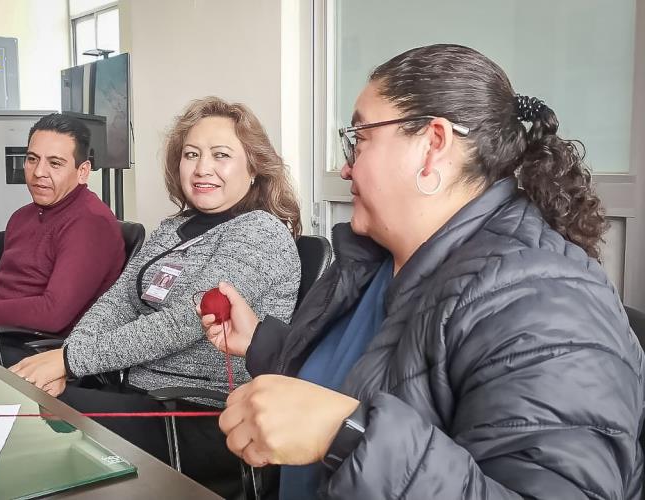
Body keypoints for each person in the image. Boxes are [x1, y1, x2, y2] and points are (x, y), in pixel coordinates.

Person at [202, 44, 645, 499]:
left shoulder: (545, 303)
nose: (344, 165)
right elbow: (357, 377)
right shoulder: (373, 260)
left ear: (433, 145)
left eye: (361, 137)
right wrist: (260, 341)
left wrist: (348, 436)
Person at [9, 97, 302, 497]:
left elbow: (186, 320)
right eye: (191, 154)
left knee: (40, 424)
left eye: (221, 155)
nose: (202, 169)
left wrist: (68, 359)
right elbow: (120, 300)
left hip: (203, 413)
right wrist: (67, 362)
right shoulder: (173, 227)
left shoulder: (260, 233)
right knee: (33, 409)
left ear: (253, 167)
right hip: (141, 393)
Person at [0, 113, 125, 365]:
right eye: (32, 159)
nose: (39, 172)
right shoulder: (23, 216)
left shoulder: (90, 222)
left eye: (55, 163)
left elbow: (53, 313)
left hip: (36, 352)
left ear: (82, 171)